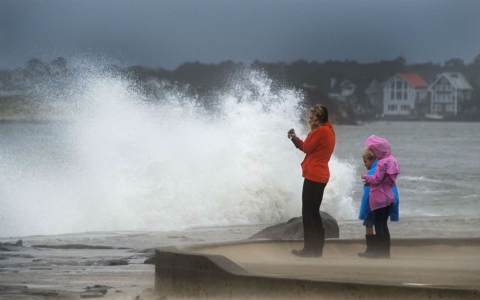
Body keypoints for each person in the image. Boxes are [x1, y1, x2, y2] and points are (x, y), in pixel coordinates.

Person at [287, 104, 336, 257]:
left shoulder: (320, 131)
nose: (309, 119)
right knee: (314, 212)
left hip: (313, 174)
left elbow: (307, 148)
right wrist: (295, 139)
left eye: (312, 116)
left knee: (307, 212)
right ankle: (317, 249)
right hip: (322, 175)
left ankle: (309, 249)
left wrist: (295, 139)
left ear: (318, 118)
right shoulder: (329, 130)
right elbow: (309, 147)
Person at [360, 135, 400, 258]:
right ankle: (385, 252)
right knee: (383, 224)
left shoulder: (382, 163)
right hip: (389, 197)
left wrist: (366, 177)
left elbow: (377, 179)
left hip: (380, 199)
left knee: (378, 224)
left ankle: (379, 252)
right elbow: (385, 180)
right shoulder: (391, 161)